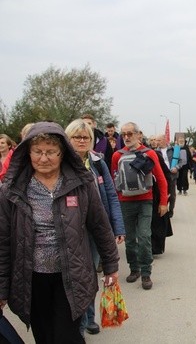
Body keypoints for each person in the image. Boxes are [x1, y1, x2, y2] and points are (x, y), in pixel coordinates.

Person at [0, 121, 119, 343]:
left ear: (62, 153)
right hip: (31, 279)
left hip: (71, 276)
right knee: (44, 336)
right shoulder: (12, 189)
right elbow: (3, 240)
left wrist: (111, 266)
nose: (43, 158)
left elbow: (100, 226)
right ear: (28, 153)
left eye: (51, 152)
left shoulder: (81, 185)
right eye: (37, 152)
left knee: (67, 336)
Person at [65, 119, 126, 337]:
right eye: (77, 137)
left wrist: (118, 226)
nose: (82, 141)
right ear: (68, 138)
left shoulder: (97, 162)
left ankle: (88, 318)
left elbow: (111, 194)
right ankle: (79, 323)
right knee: (76, 276)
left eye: (86, 137)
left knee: (89, 274)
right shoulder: (62, 163)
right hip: (69, 229)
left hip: (95, 228)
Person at [111, 122, 169, 290]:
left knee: (144, 237)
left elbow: (161, 179)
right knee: (129, 240)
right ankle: (134, 268)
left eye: (130, 134)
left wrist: (164, 202)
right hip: (125, 203)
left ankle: (146, 273)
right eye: (124, 134)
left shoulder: (149, 153)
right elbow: (114, 181)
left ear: (138, 135)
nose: (127, 137)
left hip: (145, 201)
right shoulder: (117, 156)